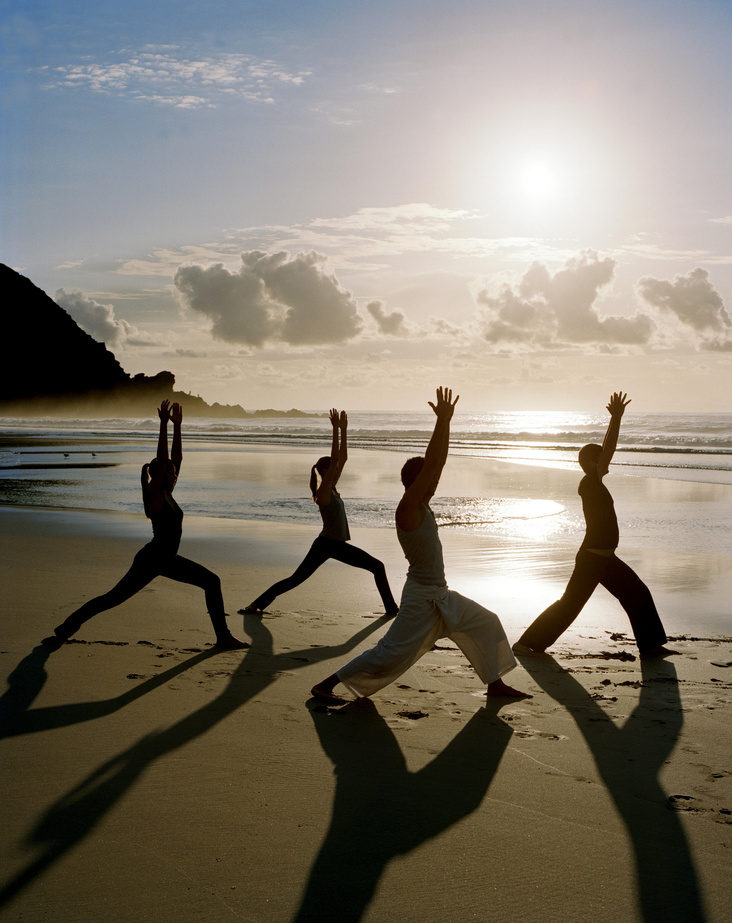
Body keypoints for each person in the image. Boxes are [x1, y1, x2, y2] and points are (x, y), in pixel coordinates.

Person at [311, 387, 528, 703]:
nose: (435, 482)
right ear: (414, 483)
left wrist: (447, 422)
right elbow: (430, 468)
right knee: (389, 652)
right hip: (420, 600)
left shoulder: (423, 504)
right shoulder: (407, 507)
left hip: (441, 594)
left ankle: (494, 684)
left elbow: (437, 463)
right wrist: (439, 422)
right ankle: (326, 685)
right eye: (427, 480)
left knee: (486, 622)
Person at [42, 401, 248, 651]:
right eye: (169, 473)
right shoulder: (154, 493)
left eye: (174, 474)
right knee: (111, 599)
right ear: (158, 474)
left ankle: (223, 638)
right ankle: (64, 631)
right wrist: (162, 424)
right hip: (154, 559)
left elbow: (175, 458)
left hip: (163, 557)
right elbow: (164, 459)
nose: (174, 476)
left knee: (210, 582)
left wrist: (178, 427)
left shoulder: (167, 493)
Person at [513, 392, 673, 658]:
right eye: (602, 459)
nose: (608, 462)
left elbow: (606, 452)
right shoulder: (590, 482)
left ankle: (650, 646)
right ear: (592, 463)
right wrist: (616, 418)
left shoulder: (595, 483)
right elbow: (608, 447)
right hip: (592, 559)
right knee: (570, 605)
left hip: (605, 560)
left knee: (638, 594)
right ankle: (527, 644)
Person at [240, 408, 398, 616]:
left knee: (377, 567)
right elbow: (335, 460)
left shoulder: (331, 487)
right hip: (326, 545)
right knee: (295, 580)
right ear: (325, 471)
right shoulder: (324, 491)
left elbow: (343, 458)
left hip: (336, 545)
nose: (338, 470)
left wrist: (344, 430)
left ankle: (391, 609)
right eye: (333, 469)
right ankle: (255, 606)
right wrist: (334, 430)